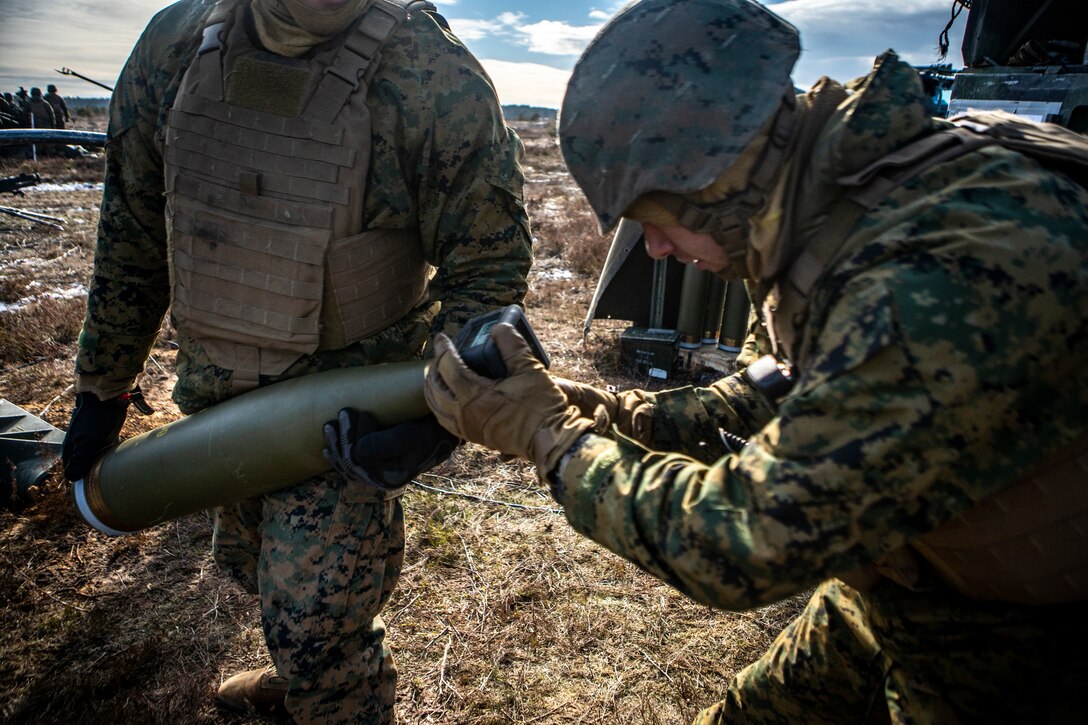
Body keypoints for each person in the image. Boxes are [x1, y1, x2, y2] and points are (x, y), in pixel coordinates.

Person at [423, 0, 1088, 722]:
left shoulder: (935, 276)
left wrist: (549, 436)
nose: (654, 250)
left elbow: (742, 540)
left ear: (718, 175)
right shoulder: (831, 206)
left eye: (656, 220)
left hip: (1024, 637)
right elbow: (769, 393)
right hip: (912, 577)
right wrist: (606, 410)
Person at [61, 0, 532, 721]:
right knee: (249, 565)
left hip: (343, 420)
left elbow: (489, 265)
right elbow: (131, 223)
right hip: (219, 397)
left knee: (319, 625)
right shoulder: (178, 45)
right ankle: (302, 678)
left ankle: (331, 689)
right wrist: (103, 386)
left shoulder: (428, 70)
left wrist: (441, 411)